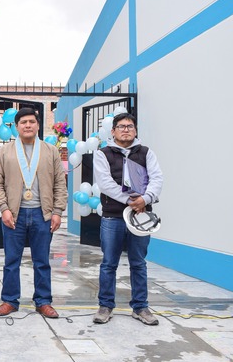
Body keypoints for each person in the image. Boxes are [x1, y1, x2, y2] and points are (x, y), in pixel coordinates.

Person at [0, 107, 67, 318]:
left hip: (43, 215)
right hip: (15, 215)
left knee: (42, 261)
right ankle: (10, 301)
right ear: (16, 126)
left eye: (32, 121)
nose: (28, 125)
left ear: (38, 125)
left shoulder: (50, 151)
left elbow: (60, 182)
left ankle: (43, 301)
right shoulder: (5, 152)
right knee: (11, 260)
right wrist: (4, 209)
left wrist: (58, 211)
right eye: (23, 122)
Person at [92, 112, 163, 325]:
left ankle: (140, 307)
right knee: (108, 263)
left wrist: (146, 198)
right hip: (113, 217)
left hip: (141, 217)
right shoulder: (102, 154)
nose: (126, 129)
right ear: (113, 131)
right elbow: (105, 184)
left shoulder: (146, 153)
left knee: (138, 263)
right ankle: (105, 306)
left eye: (130, 126)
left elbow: (157, 178)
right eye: (121, 126)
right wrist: (132, 200)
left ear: (135, 130)